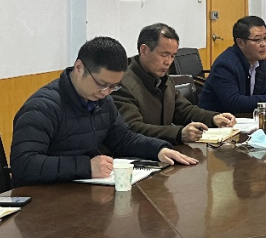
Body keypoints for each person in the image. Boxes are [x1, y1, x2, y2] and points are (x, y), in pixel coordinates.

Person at [10, 36, 198, 185]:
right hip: (43, 199)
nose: (106, 92)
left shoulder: (102, 101)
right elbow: (24, 164)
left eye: (114, 86)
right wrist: (86, 166)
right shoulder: (42, 108)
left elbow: (123, 139)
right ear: (79, 68)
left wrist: (158, 149)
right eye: (101, 84)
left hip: (81, 191)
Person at [113, 23, 235, 144]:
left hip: (163, 149)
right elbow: (133, 128)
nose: (168, 62)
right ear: (144, 50)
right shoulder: (122, 83)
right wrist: (178, 134)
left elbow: (184, 110)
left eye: (172, 56)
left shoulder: (164, 79)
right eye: (164, 55)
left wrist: (213, 118)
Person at [198, 16, 266, 115]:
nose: (264, 44)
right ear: (240, 43)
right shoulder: (225, 65)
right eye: (257, 40)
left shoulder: (260, 61)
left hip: (245, 118)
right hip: (216, 120)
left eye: (265, 38)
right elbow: (234, 102)